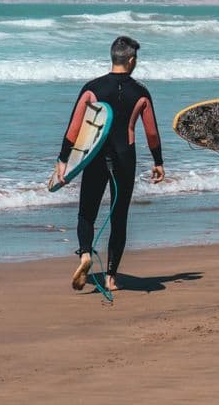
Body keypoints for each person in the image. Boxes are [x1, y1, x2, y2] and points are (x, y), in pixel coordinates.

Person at [55, 36, 165, 293]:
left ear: (113, 57)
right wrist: (158, 161)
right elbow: (151, 133)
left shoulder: (92, 88)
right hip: (125, 158)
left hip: (95, 156)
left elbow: (73, 128)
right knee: (119, 217)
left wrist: (63, 160)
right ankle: (111, 278)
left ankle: (84, 253)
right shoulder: (141, 92)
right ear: (132, 60)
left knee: (86, 213)